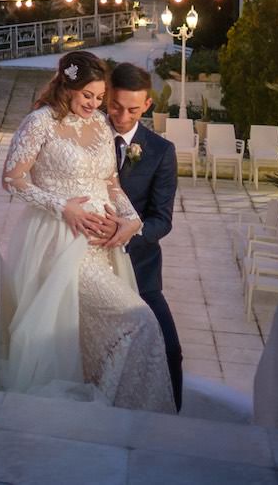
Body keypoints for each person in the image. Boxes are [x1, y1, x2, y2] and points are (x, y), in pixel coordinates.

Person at [0, 51, 175, 412]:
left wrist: (130, 221)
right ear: (67, 87)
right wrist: (63, 207)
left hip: (104, 246)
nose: (94, 105)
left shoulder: (100, 125)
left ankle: (113, 402)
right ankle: (114, 406)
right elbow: (11, 179)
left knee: (98, 329)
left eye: (98, 98)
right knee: (137, 319)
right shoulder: (39, 123)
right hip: (62, 242)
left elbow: (110, 181)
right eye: (87, 96)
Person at [105, 61, 181, 410]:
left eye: (133, 109)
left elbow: (162, 221)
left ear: (148, 104)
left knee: (169, 350)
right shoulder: (87, 137)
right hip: (90, 262)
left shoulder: (162, 151)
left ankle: (171, 420)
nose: (122, 116)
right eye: (115, 106)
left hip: (141, 268)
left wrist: (129, 231)